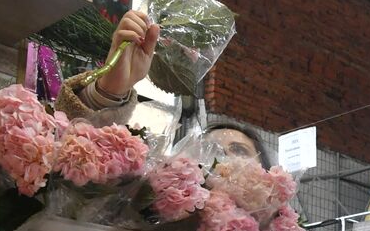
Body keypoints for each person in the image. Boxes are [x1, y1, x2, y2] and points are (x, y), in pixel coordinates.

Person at [57, 12, 268, 167]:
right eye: (208, 150)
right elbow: (72, 154)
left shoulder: (280, 226)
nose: (220, 160)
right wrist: (110, 90)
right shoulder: (145, 216)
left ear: (268, 173)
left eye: (239, 151)